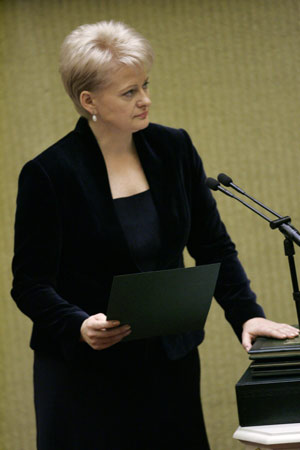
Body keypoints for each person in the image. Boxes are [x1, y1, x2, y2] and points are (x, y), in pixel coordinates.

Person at [11, 20, 298, 450]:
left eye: (145, 84)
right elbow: (30, 285)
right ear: (88, 100)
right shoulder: (49, 174)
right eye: (129, 92)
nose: (146, 100)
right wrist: (78, 325)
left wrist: (246, 314)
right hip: (86, 374)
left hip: (169, 362)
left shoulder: (174, 149)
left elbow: (212, 246)